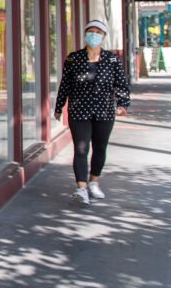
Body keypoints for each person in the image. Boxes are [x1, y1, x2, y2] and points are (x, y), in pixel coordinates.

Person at [54, 19, 130, 205]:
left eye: (98, 31)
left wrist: (123, 103)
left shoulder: (112, 59)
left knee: (100, 147)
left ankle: (94, 182)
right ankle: (81, 188)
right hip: (79, 110)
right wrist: (59, 106)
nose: (94, 34)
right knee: (81, 148)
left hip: (104, 111)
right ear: (85, 34)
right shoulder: (74, 58)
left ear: (103, 36)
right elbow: (65, 84)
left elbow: (121, 83)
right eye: (90, 31)